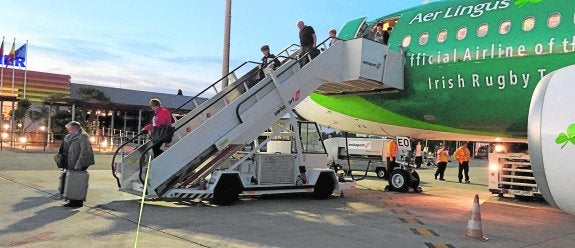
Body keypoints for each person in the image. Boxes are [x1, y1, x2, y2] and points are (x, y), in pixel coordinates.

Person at [62, 121, 95, 207]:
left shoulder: (83, 136)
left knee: (78, 181)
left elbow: (85, 151)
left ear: (74, 128)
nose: (69, 131)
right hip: (74, 161)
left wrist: (79, 164)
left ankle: (77, 201)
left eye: (69, 129)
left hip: (80, 162)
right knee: (73, 180)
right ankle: (72, 200)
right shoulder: (75, 135)